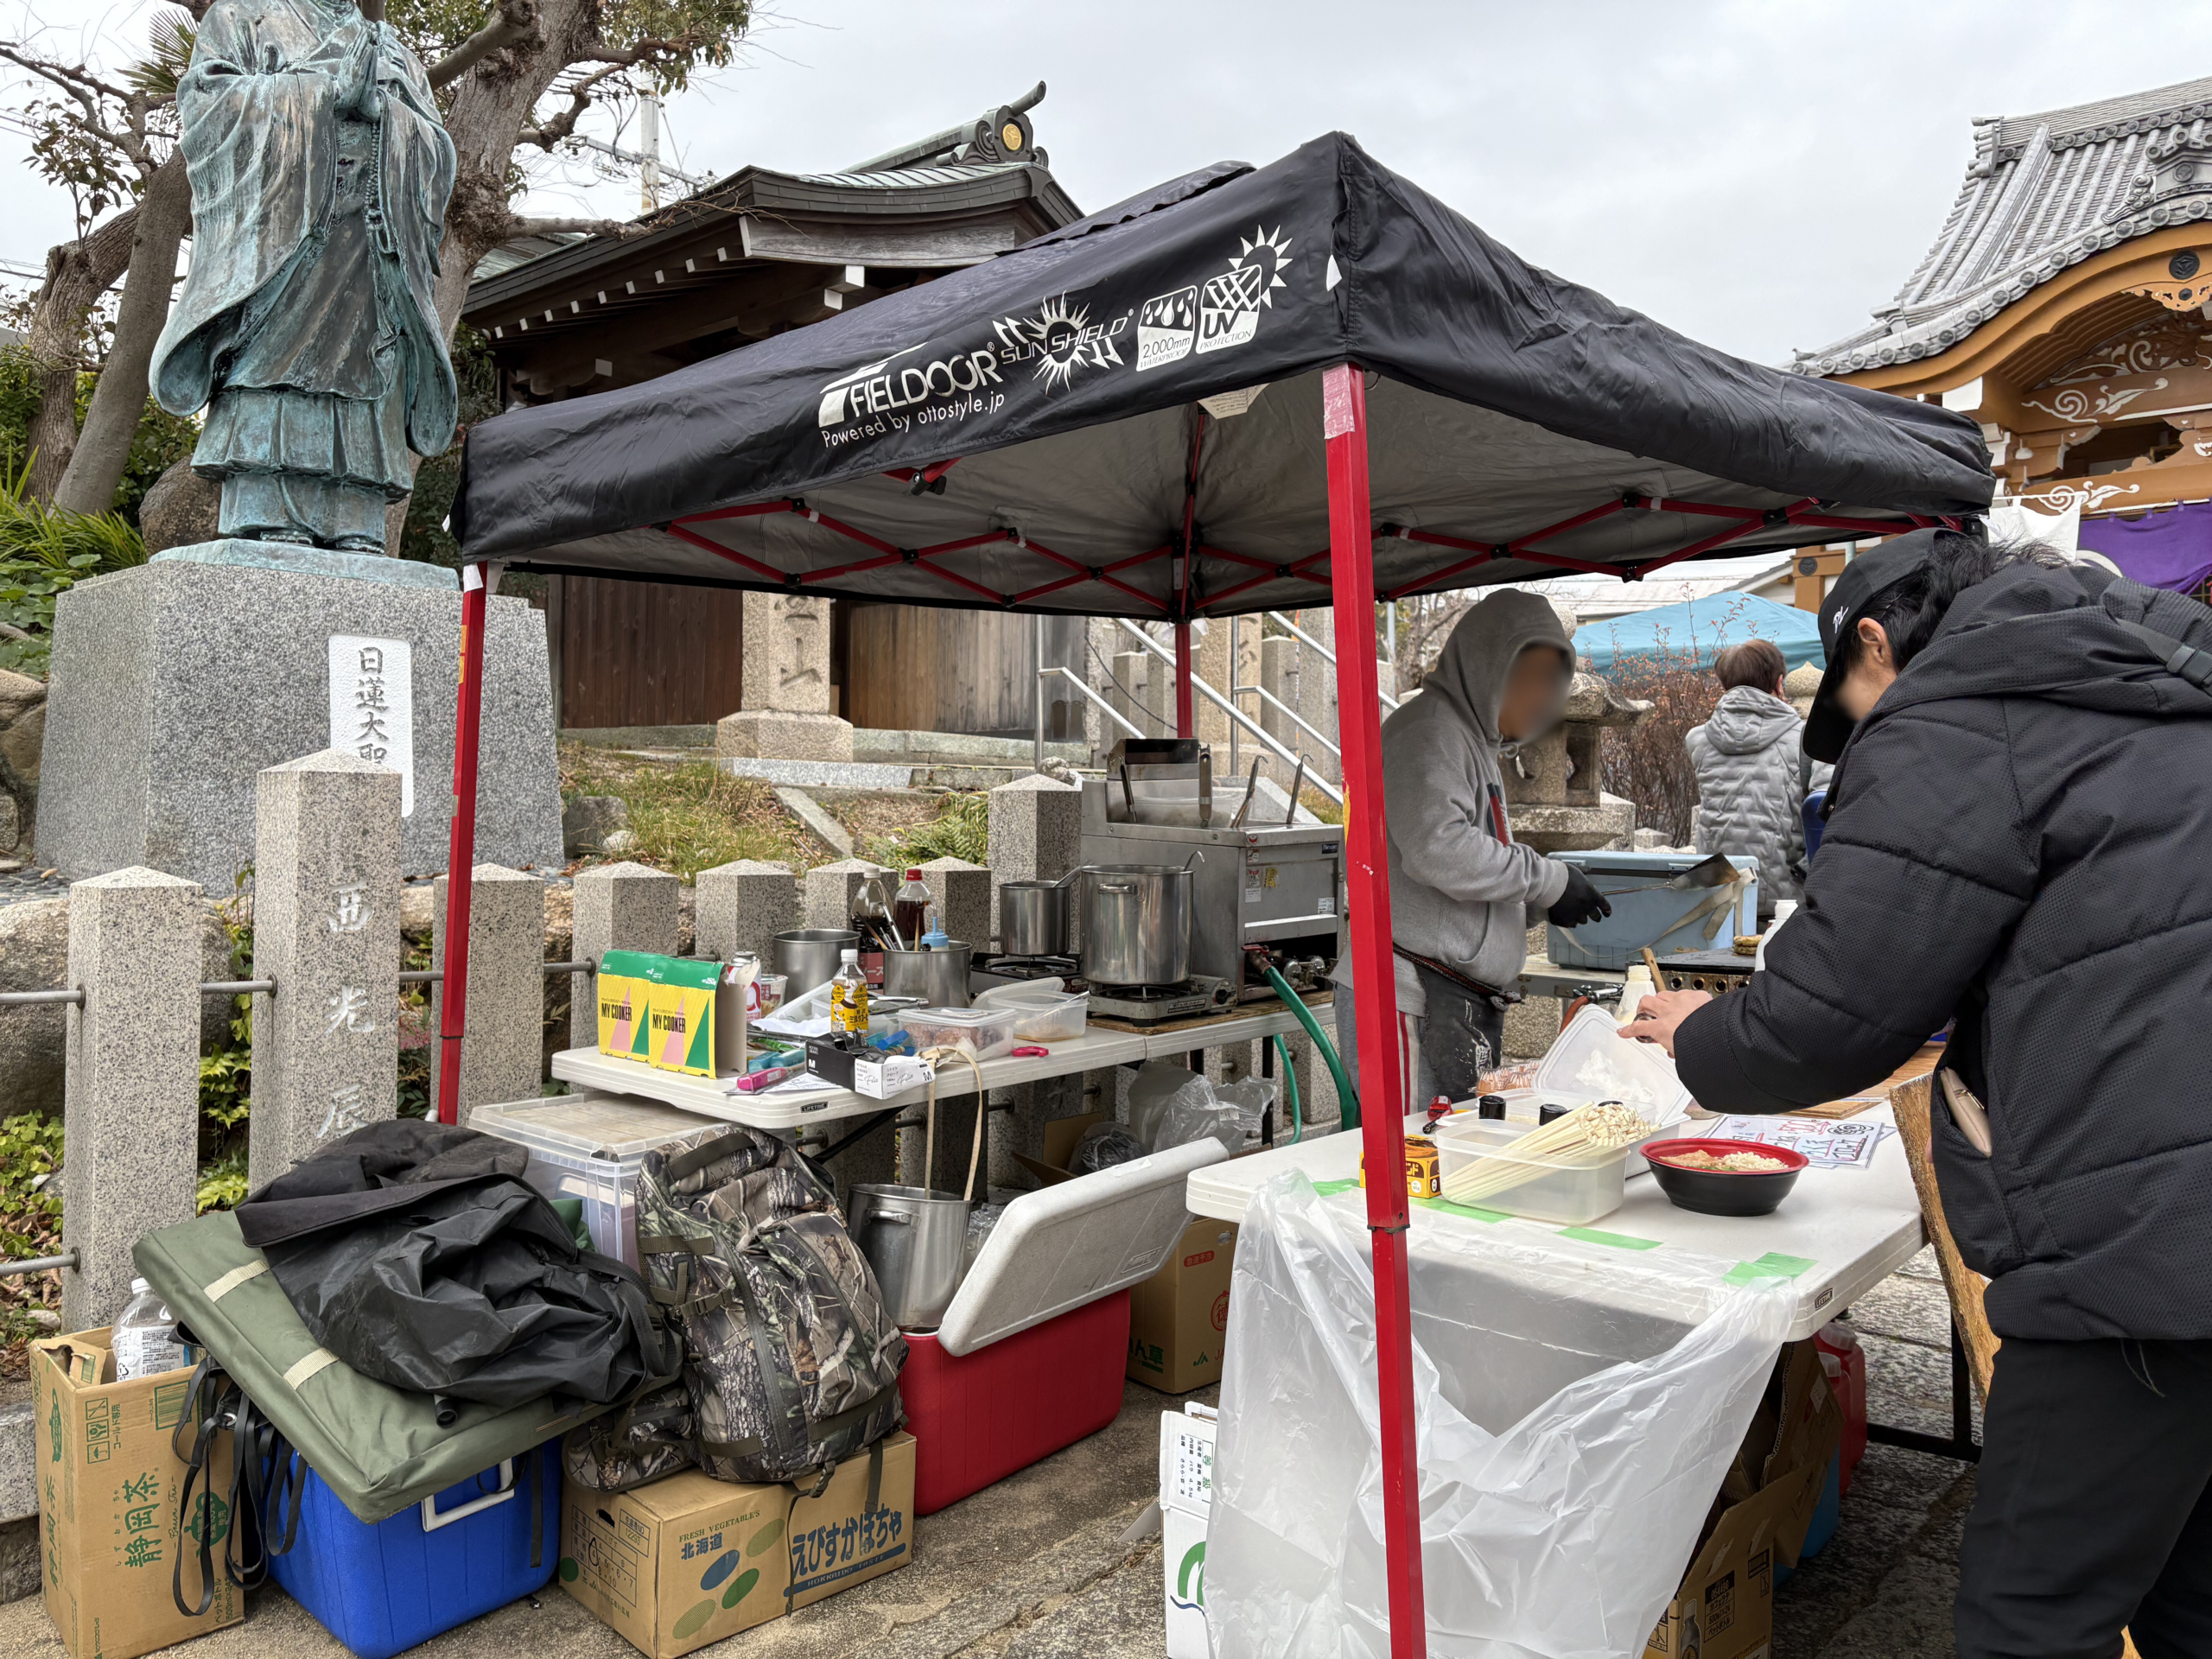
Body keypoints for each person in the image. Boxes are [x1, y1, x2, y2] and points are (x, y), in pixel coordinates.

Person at [1624, 527, 2212, 1659]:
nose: (1862, 733)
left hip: (2142, 1253)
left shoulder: (1961, 709)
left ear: (1876, 645)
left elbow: (1823, 1020)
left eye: (1853, 707)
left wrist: (1703, 1035)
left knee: (2028, 1620)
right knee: (2190, 1597)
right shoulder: (2161, 674)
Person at [149, 0, 458, 550]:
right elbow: (206, 106)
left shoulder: (392, 50)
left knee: (368, 373)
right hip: (283, 250)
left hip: (367, 253)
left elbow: (438, 153)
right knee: (273, 369)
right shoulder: (242, 18)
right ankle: (267, 509)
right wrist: (323, 96)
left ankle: (358, 516)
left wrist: (384, 115)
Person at [1334, 590, 1611, 1106]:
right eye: (1533, 679)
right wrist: (1548, 881)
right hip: (1408, 995)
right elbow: (1438, 851)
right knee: (1414, 1148)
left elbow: (1463, 872)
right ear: (1489, 667)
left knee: (1447, 1146)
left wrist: (1538, 903)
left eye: (1553, 682)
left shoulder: (1472, 739)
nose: (1544, 699)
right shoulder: (1430, 732)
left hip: (1450, 996)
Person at [1685, 638, 1829, 919]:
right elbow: (1825, 819)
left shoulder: (1698, 740)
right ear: (1779, 684)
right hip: (1784, 905)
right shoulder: (1808, 740)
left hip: (1716, 899)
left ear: (1725, 684)